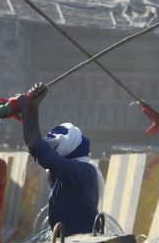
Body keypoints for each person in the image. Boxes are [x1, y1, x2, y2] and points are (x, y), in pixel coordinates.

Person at [17, 83, 105, 235]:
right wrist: (34, 107)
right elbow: (38, 147)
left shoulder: (79, 171)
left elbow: (35, 145)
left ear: (67, 152)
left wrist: (26, 109)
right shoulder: (78, 170)